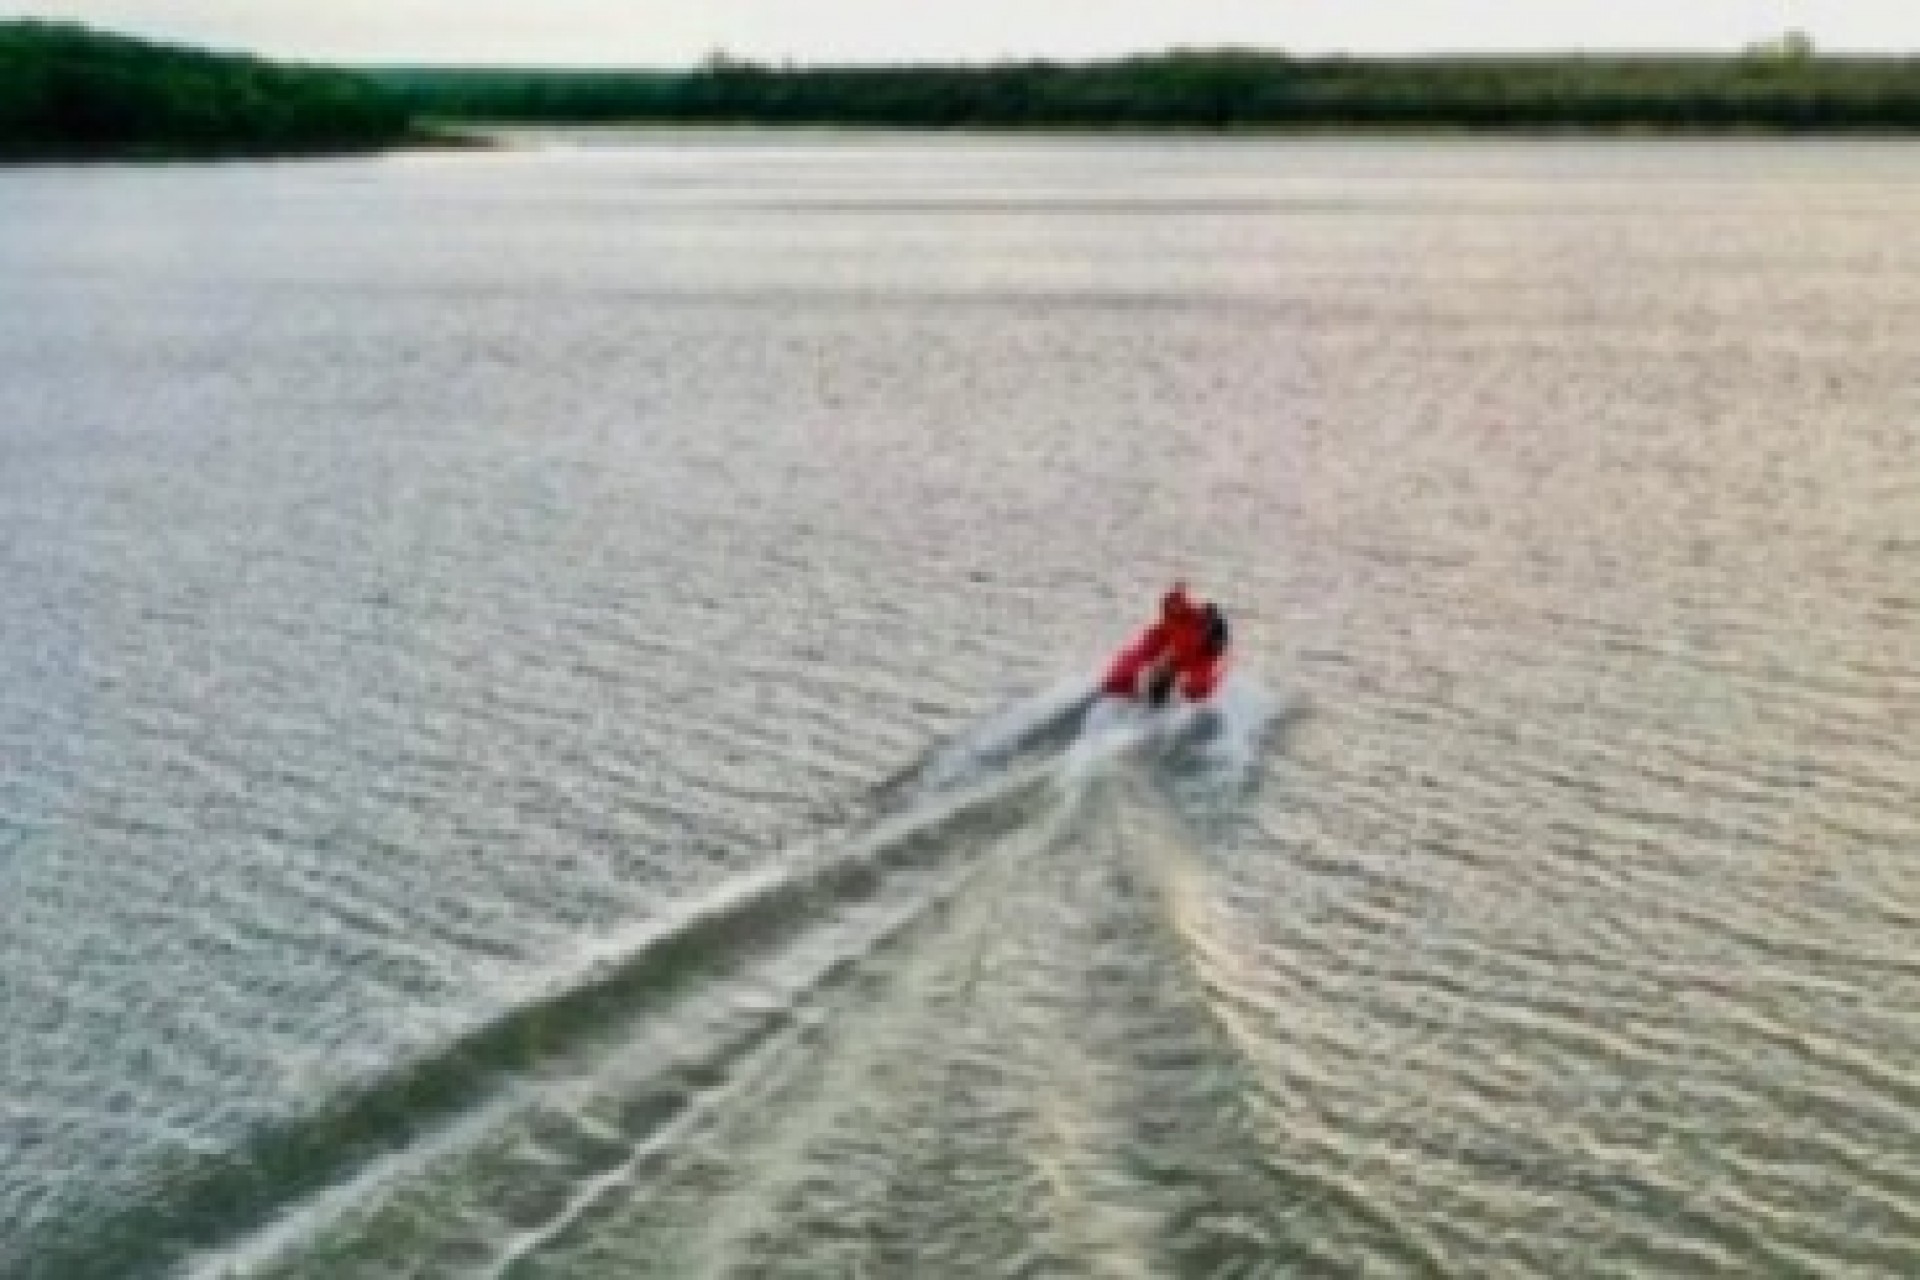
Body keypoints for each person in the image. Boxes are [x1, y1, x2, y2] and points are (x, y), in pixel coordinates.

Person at [1101, 583, 1230, 706]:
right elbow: (1138, 652)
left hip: (1201, 656)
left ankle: (1187, 695)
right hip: (1181, 656)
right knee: (1140, 659)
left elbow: (1214, 664)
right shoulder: (1167, 629)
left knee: (1199, 684)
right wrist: (1117, 681)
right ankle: (1126, 684)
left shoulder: (1198, 622)